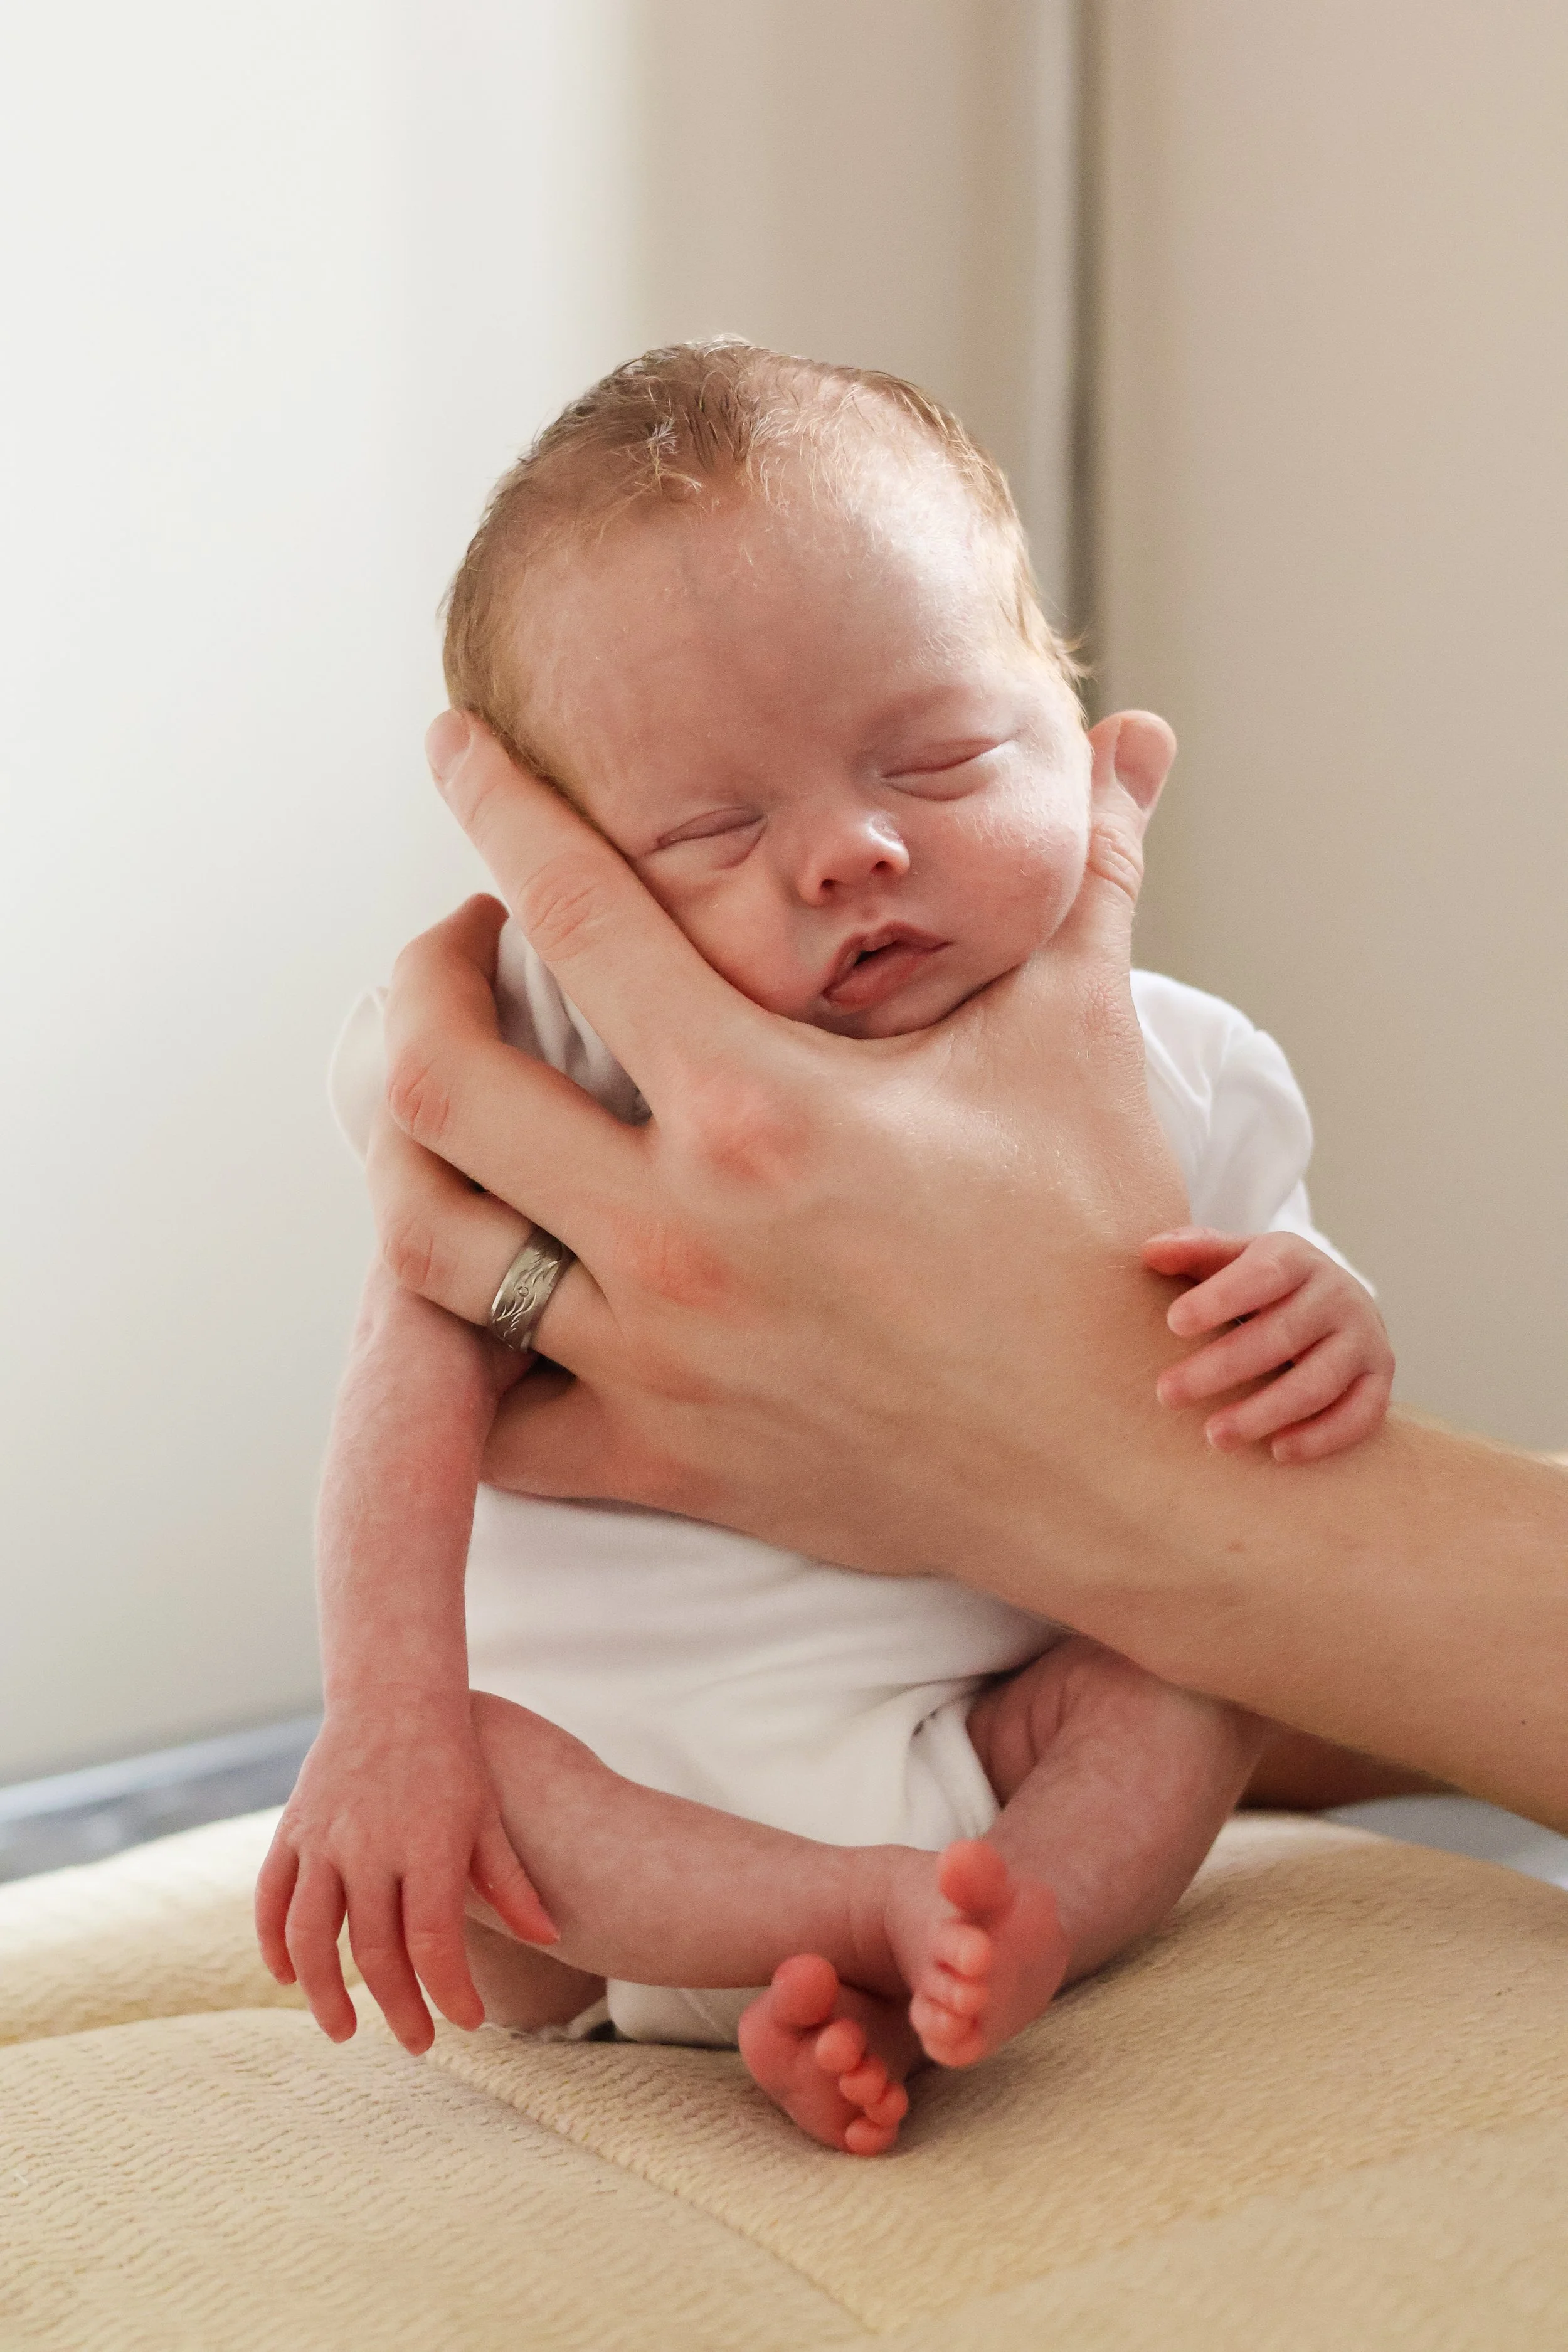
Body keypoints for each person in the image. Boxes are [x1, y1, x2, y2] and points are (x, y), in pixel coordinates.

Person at [259, 346, 1401, 2155]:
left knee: (1186, 1682)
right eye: (713, 830)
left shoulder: (1189, 1067)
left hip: (985, 1734)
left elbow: (1268, 1331)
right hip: (604, 1807)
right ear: (572, 874)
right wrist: (384, 1713)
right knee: (481, 1794)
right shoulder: (559, 1071)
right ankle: (853, 1919)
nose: (851, 849)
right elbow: (405, 1367)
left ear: (1083, 725)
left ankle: (984, 1930)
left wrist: (1323, 1315)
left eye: (937, 758)